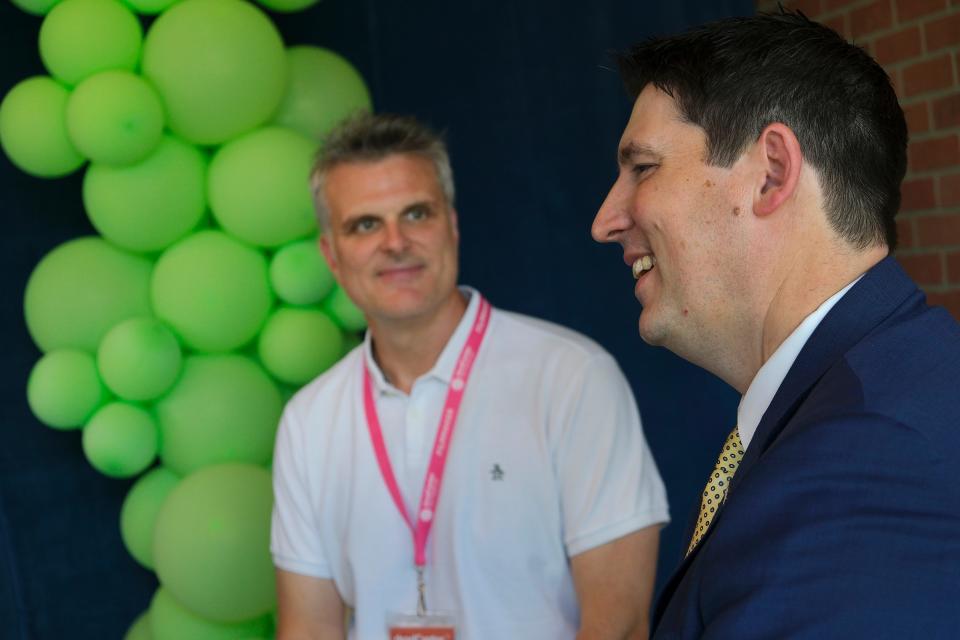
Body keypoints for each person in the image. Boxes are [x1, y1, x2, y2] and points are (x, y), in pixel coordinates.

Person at [591, 9, 960, 638]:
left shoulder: (858, 466)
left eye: (644, 167)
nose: (605, 220)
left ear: (772, 172)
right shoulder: (881, 388)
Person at [271, 113, 669, 639]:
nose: (395, 242)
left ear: (451, 226)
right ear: (331, 255)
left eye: (416, 214)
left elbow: (617, 627)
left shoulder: (570, 377)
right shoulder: (309, 421)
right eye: (365, 224)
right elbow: (308, 630)